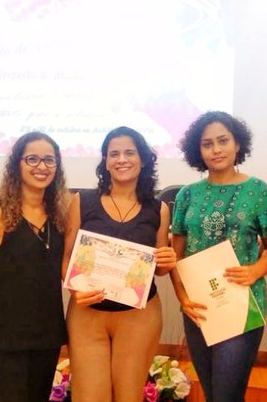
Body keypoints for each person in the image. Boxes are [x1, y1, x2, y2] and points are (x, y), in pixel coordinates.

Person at [169, 111, 267, 402]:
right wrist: (182, 297)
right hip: (198, 308)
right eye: (207, 144)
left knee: (227, 395)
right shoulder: (187, 195)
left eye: (223, 141)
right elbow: (176, 255)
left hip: (242, 306)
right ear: (198, 150)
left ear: (237, 144)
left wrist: (256, 270)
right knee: (211, 392)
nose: (216, 150)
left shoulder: (258, 191)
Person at [64, 126, 177, 402]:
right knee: (89, 396)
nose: (121, 159)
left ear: (143, 159)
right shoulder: (82, 202)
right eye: (114, 154)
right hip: (88, 313)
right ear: (105, 161)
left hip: (139, 316)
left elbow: (159, 268)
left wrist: (167, 260)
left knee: (129, 395)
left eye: (129, 153)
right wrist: (75, 289)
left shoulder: (159, 209)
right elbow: (66, 257)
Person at [0, 131, 70, 402]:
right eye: (32, 159)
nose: (41, 166)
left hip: (47, 332)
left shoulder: (61, 216)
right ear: (17, 165)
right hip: (5, 333)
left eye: (49, 160)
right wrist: (8, 301)